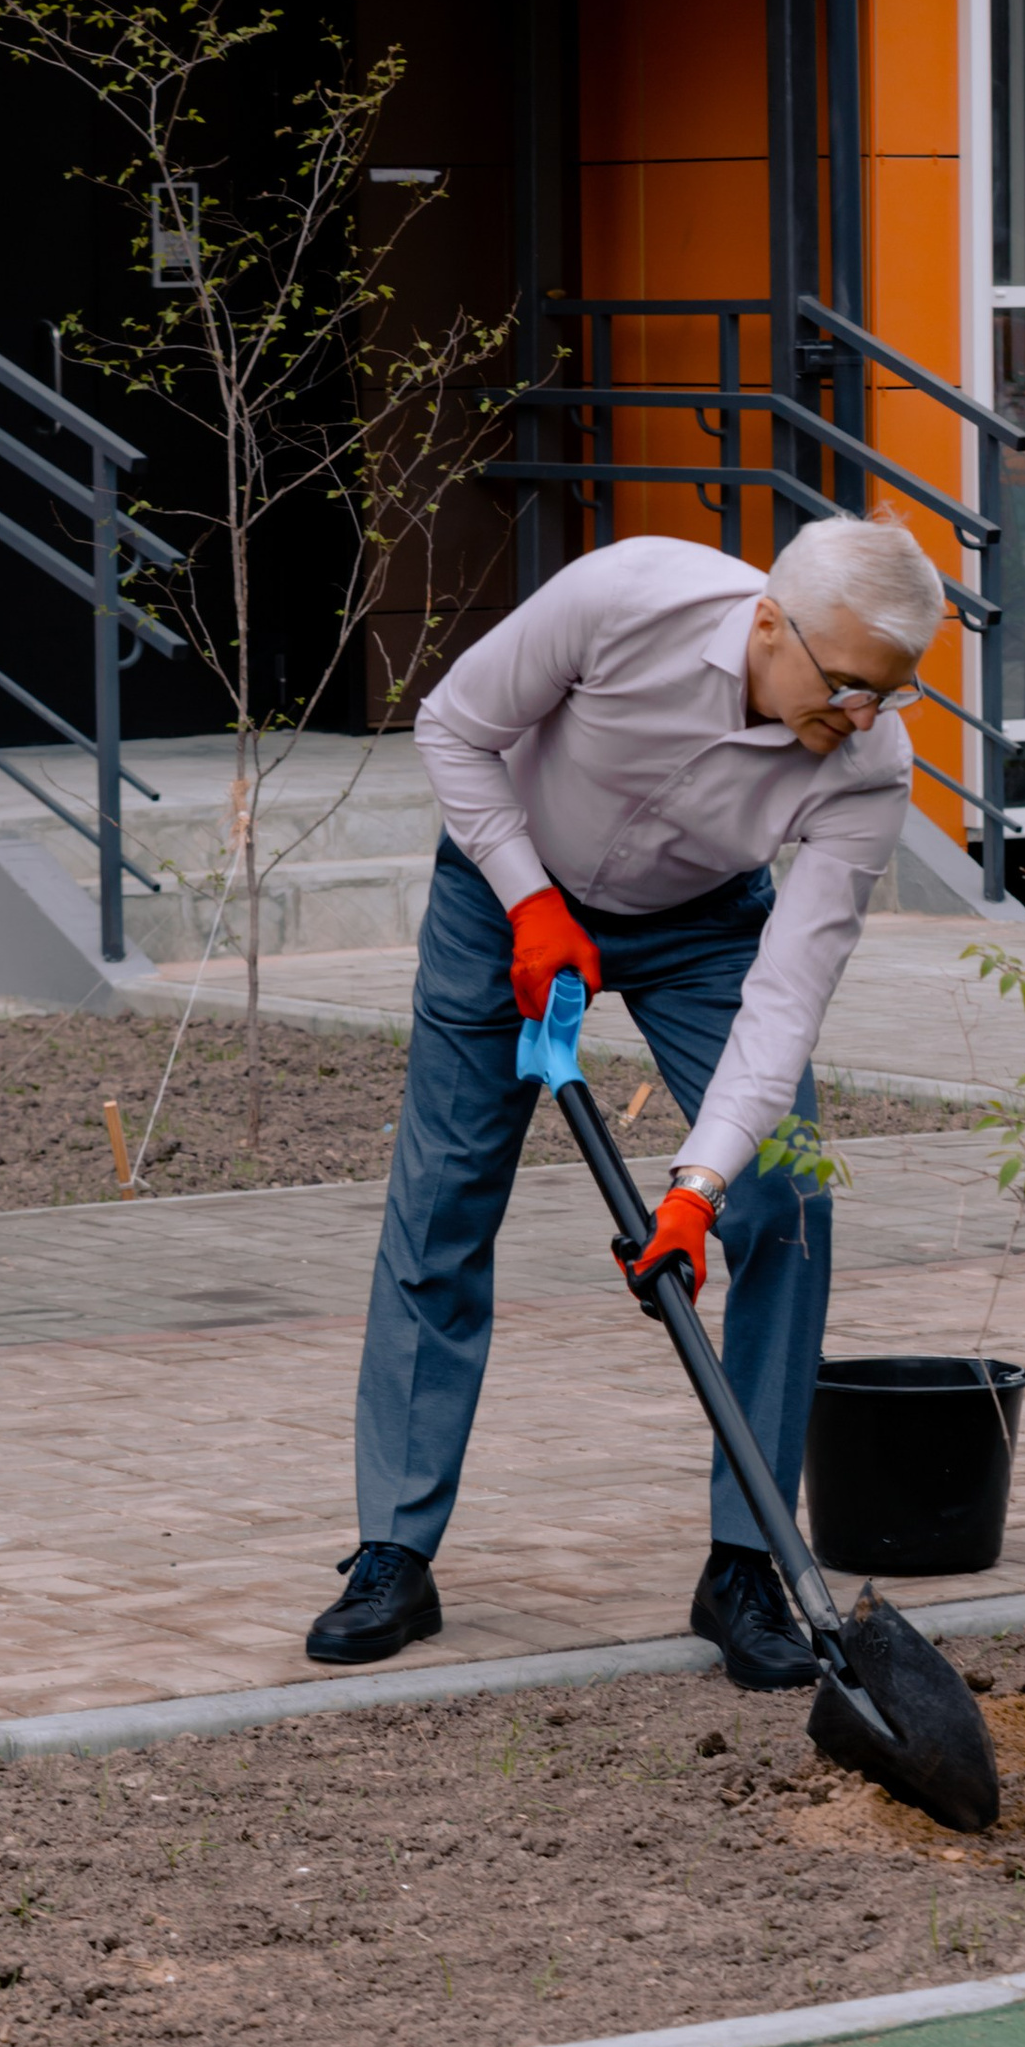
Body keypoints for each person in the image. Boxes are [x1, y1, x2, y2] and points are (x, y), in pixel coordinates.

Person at [312, 514, 947, 1688]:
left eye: (889, 697)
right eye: (850, 686)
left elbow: (787, 998)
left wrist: (697, 1189)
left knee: (783, 1199)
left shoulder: (867, 768)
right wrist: (526, 898)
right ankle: (393, 1550)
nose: (861, 718)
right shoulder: (628, 597)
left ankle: (745, 1563)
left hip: (703, 927)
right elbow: (455, 725)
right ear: (770, 623)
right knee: (444, 1204)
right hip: (502, 884)